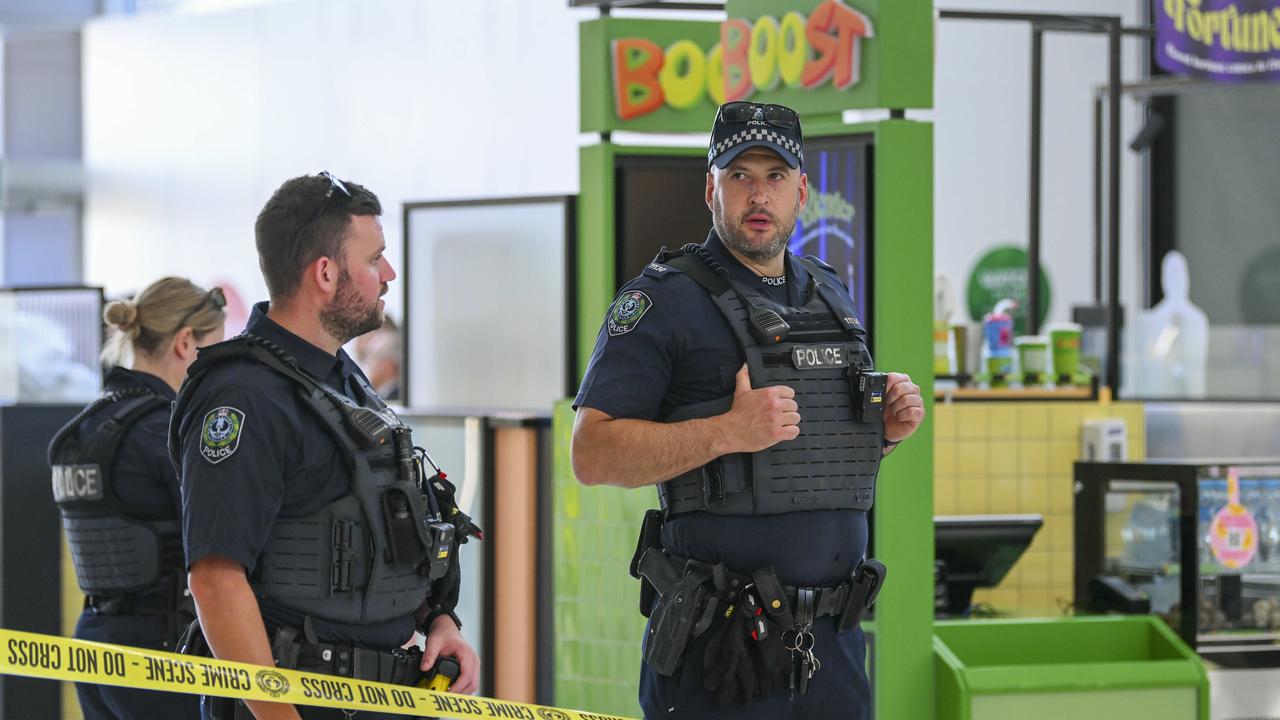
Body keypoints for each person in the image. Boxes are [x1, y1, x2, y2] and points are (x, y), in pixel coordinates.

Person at [571, 102, 925, 719]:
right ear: (711, 188)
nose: (759, 195)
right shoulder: (662, 299)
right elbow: (591, 453)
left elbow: (810, 454)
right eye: (740, 176)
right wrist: (726, 432)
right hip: (719, 652)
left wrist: (885, 434)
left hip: (833, 650)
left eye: (776, 177)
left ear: (802, 191)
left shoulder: (830, 293)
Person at [170, 172, 480, 720]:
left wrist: (438, 621)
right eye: (375, 259)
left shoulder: (344, 381)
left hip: (382, 695)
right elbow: (215, 581)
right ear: (326, 273)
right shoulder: (244, 396)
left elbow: (388, 530)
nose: (388, 274)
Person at [48, 277, 227, 720]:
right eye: (216, 352)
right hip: (162, 651)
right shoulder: (166, 430)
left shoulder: (83, 427)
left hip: (93, 644)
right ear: (187, 343)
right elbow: (217, 545)